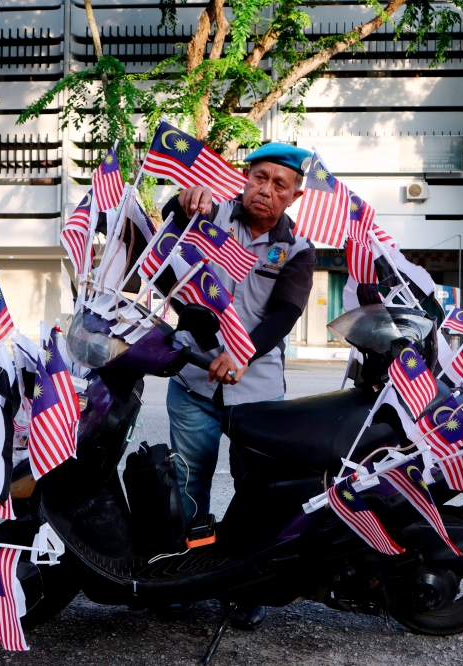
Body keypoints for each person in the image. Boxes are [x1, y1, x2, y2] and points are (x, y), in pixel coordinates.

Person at [161, 142, 316, 630]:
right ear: (245, 178)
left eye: (279, 184)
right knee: (188, 485)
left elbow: (285, 314)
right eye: (259, 177)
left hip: (258, 394)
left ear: (293, 196)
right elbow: (165, 241)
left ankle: (244, 584)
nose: (265, 190)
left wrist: (243, 351)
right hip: (193, 382)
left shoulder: (297, 250)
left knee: (257, 491)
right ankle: (186, 577)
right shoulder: (211, 216)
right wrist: (179, 202)